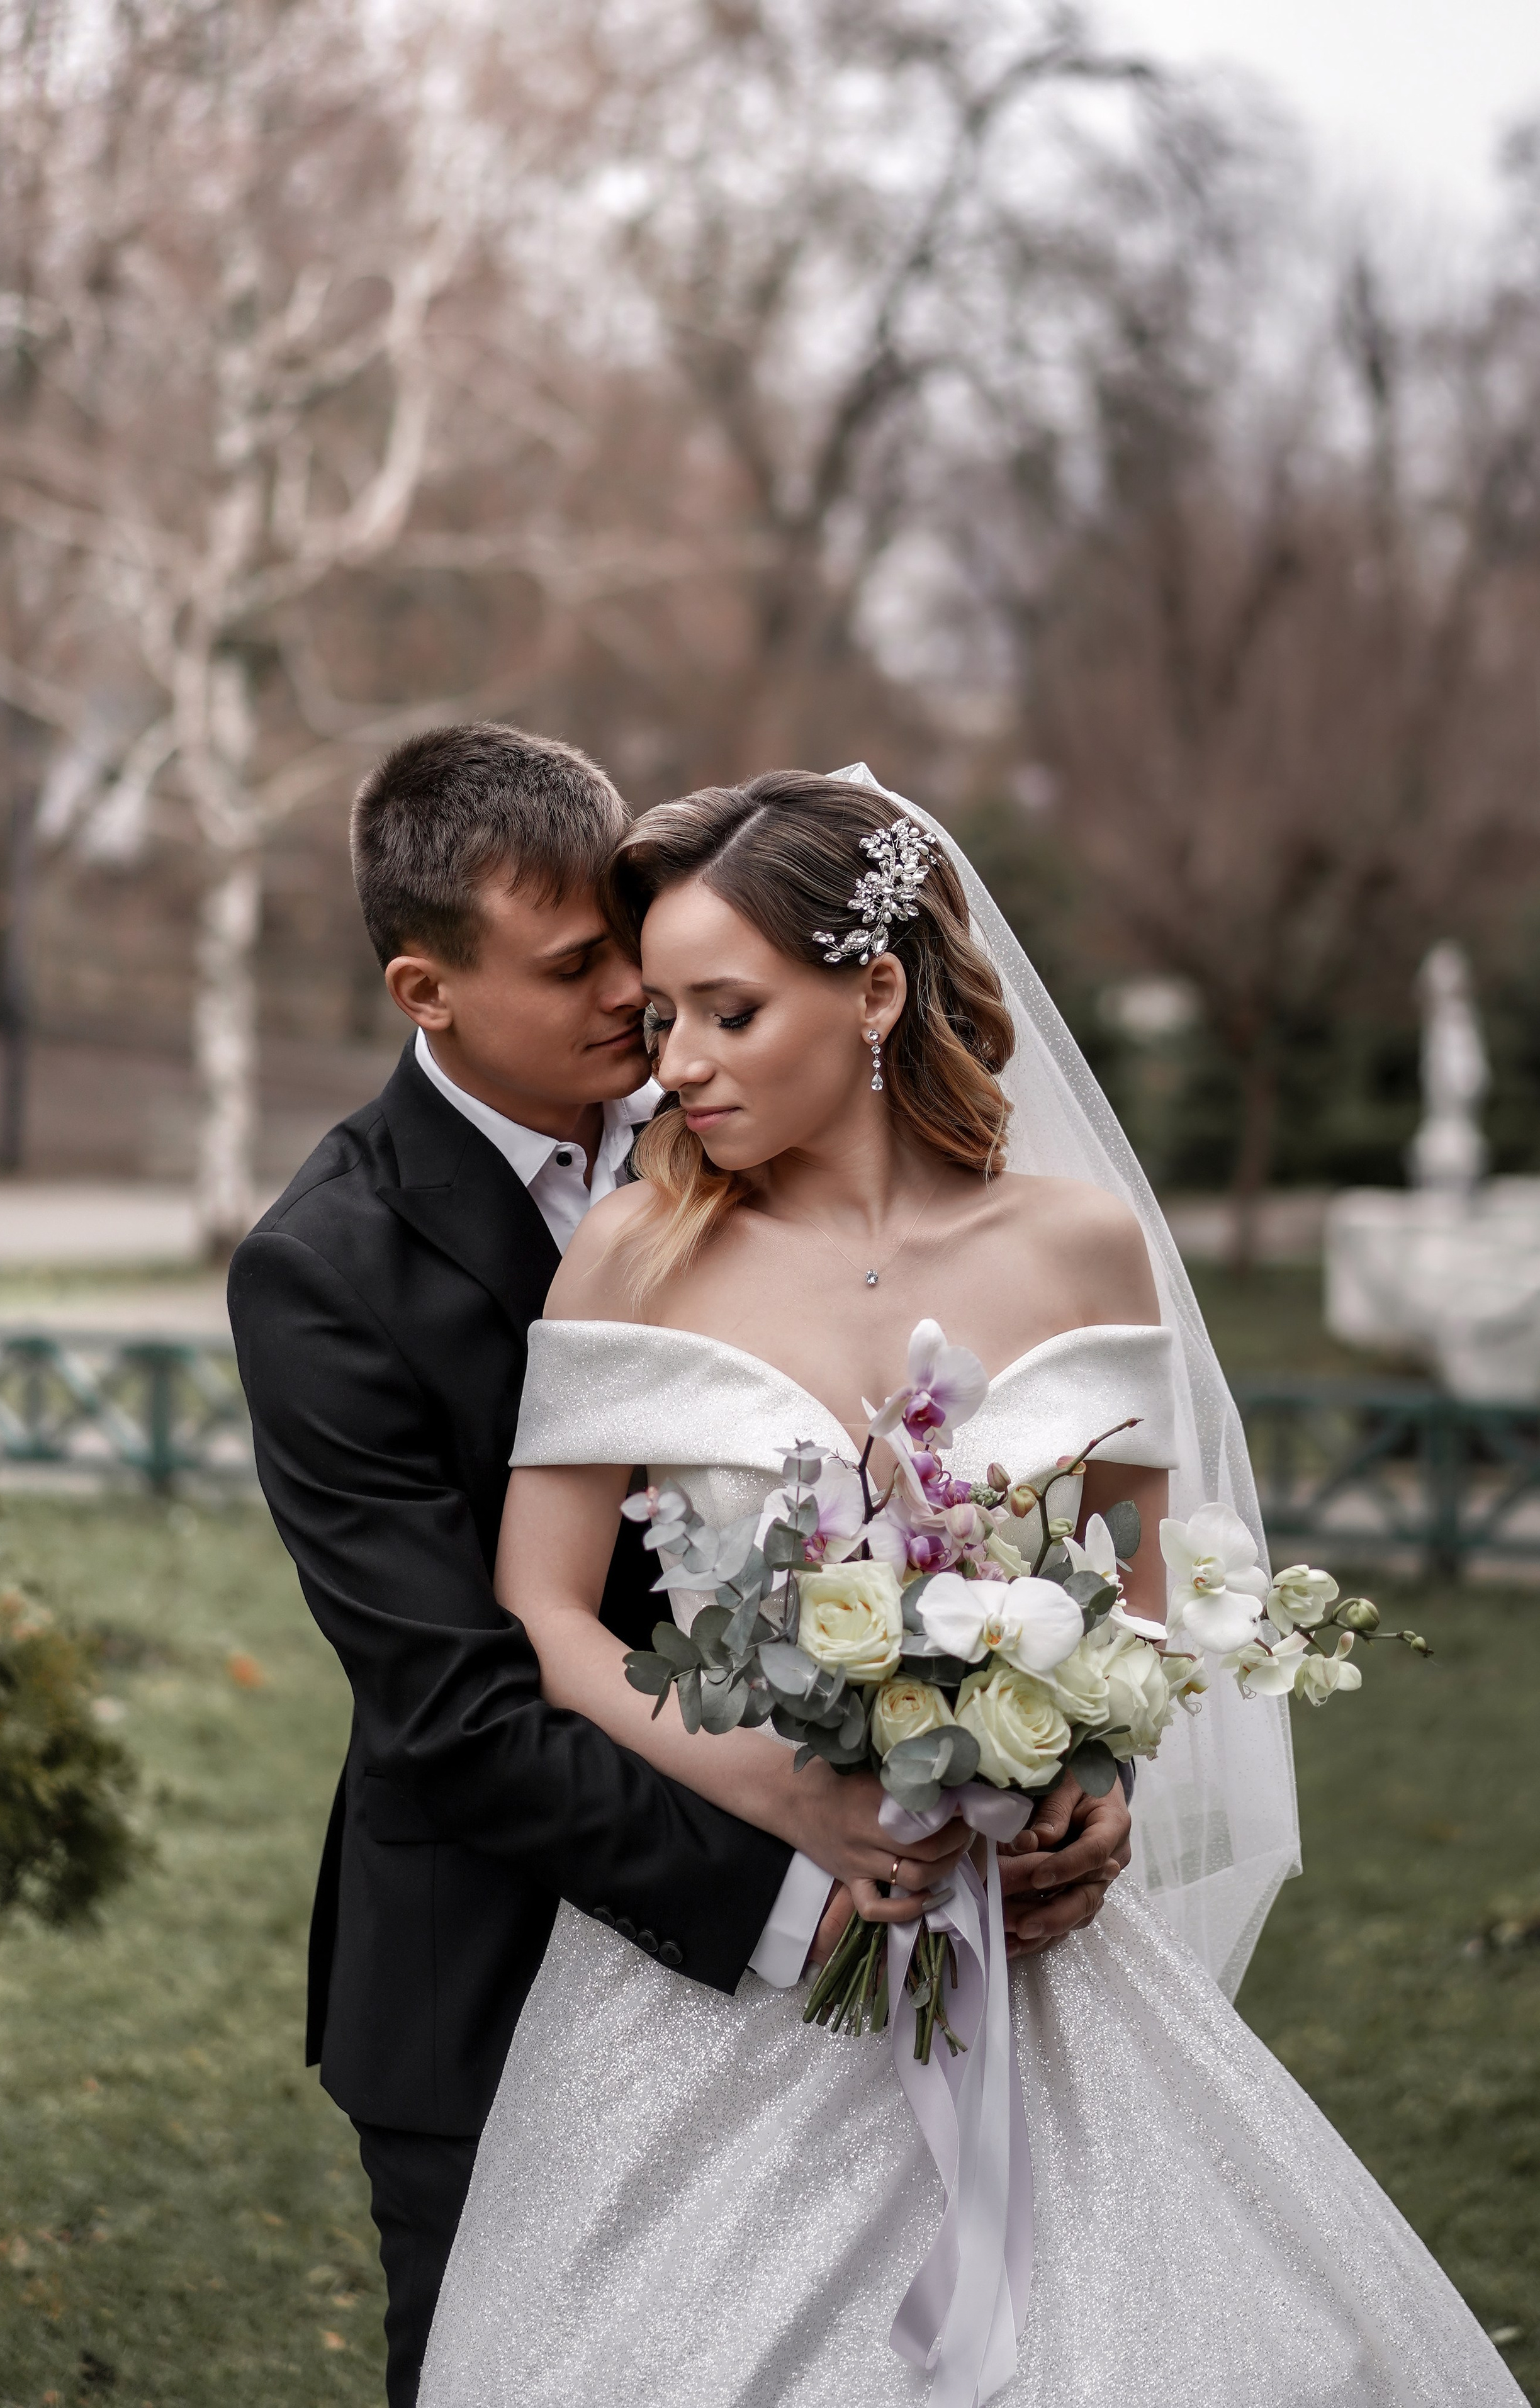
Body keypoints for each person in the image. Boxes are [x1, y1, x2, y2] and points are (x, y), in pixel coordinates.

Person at [417, 768, 1523, 2408]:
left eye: (729, 1009)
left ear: (873, 988)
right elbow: (551, 1613)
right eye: (661, 1016)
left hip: (1032, 1942)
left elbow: (1137, 1569)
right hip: (724, 1974)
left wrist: (1095, 1770)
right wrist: (777, 1789)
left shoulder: (1079, 1244)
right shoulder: (631, 1252)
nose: (678, 1065)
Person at [227, 726, 1129, 2408]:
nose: (643, 1019)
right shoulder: (323, 1269)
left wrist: (1043, 1763)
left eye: (645, 968)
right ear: (427, 990)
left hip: (908, 1894)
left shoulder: (748, 1110)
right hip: (498, 1957)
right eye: (582, 973)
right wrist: (813, 1857)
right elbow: (455, 1699)